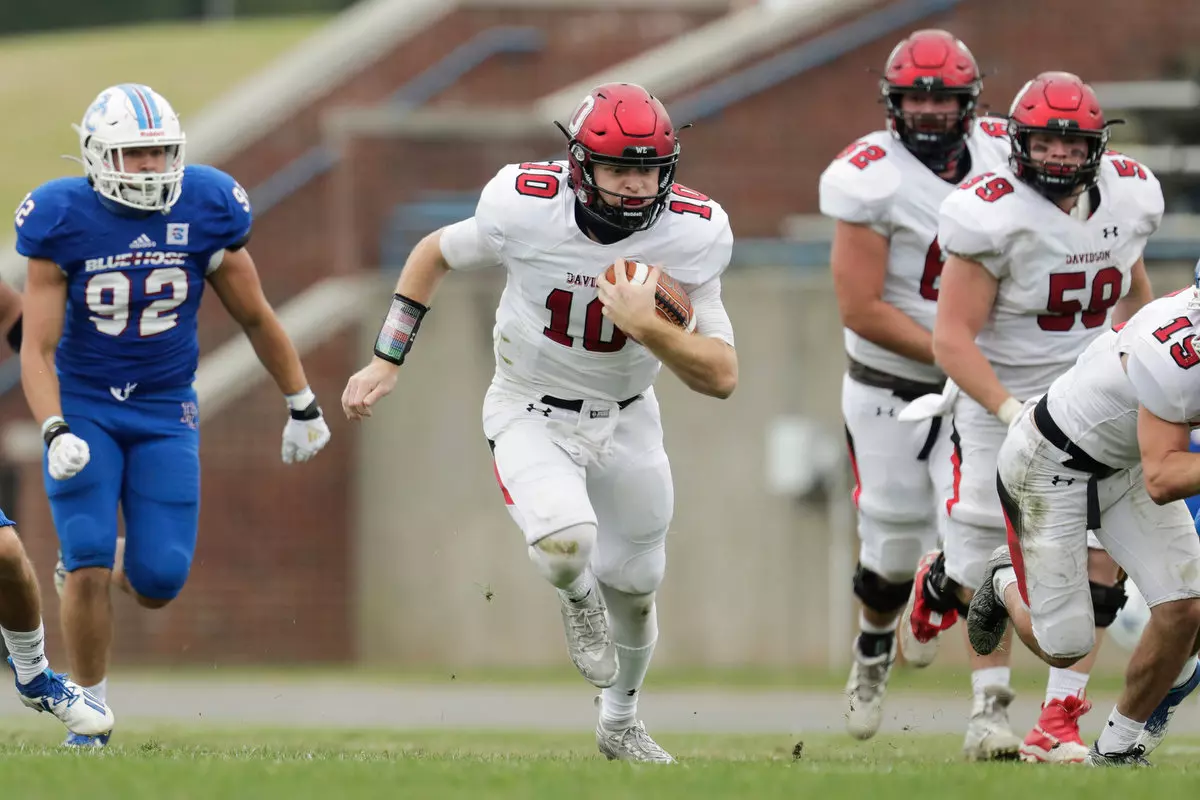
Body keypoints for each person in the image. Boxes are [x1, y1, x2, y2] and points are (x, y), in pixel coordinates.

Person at [341, 82, 737, 764]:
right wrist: (386, 360)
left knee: (640, 587)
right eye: (619, 169)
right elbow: (432, 253)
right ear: (580, 166)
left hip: (628, 415)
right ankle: (577, 597)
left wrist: (651, 330)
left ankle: (621, 723)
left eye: (649, 169)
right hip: (530, 404)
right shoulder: (522, 207)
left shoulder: (695, 231)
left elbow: (722, 375)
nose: (637, 187)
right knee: (567, 542)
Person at [16, 83, 333, 748]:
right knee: (90, 559)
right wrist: (54, 428)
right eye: (136, 155)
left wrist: (301, 402)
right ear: (99, 157)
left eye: (161, 152)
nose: (152, 167)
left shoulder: (206, 204)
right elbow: (35, 349)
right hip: (85, 404)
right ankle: (90, 718)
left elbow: (256, 315)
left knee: (159, 580)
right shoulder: (61, 216)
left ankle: (94, 567)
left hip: (165, 409)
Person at [899, 71, 1159, 762]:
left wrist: (1141, 372)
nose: (1061, 157)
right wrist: (1012, 411)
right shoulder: (990, 212)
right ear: (1017, 144)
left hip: (1093, 397)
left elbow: (1133, 294)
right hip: (1001, 403)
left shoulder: (1129, 198)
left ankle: (1057, 719)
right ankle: (941, 586)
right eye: (1046, 142)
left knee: (1098, 573)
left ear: (1098, 147)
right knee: (981, 566)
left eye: (1074, 144)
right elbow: (950, 338)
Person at [818, 28, 1011, 744]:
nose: (929, 110)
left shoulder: (1004, 149)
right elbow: (860, 307)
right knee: (892, 549)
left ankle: (990, 708)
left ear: (970, 101)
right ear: (892, 102)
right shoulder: (869, 175)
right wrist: (956, 350)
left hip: (979, 386)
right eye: (915, 97)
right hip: (892, 385)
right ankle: (873, 652)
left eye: (942, 97)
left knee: (989, 540)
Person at [967, 270, 1200, 766]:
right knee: (1065, 646)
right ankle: (1002, 578)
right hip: (1051, 462)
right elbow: (1163, 476)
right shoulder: (1175, 358)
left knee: (1187, 606)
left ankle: (1116, 749)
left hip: (1125, 461)